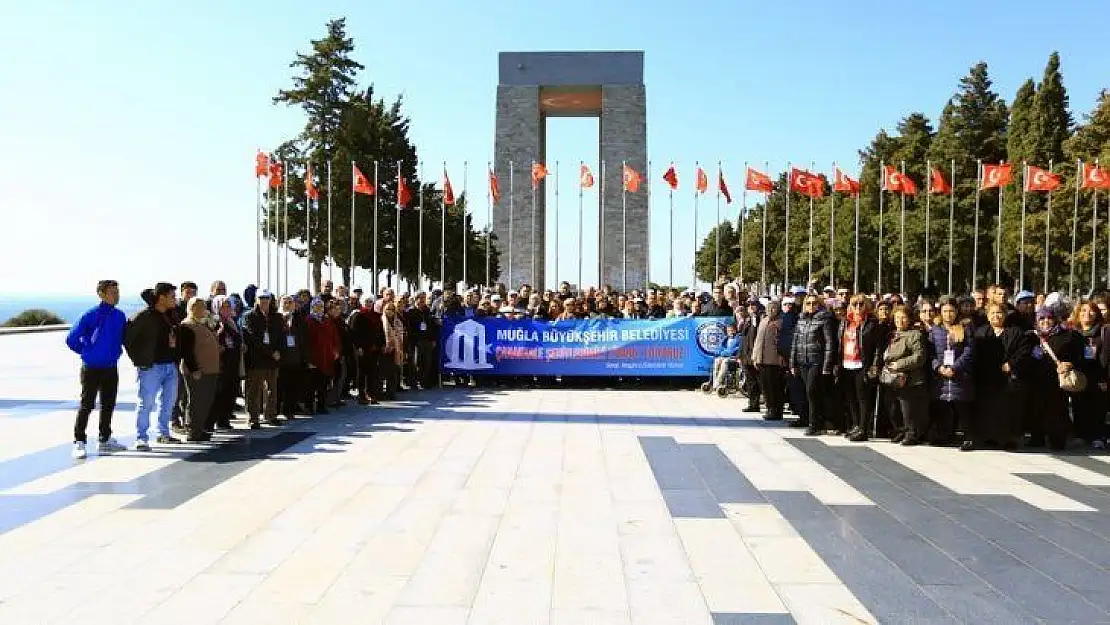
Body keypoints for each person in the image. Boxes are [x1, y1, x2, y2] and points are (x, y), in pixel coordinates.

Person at [65, 279, 128, 458]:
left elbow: (126, 338)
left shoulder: (120, 316)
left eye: (117, 292)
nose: (116, 296)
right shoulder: (90, 315)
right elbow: (71, 339)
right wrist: (87, 352)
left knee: (108, 404)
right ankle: (79, 441)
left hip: (110, 367)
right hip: (91, 368)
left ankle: (105, 438)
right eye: (112, 292)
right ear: (101, 294)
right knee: (87, 404)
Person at [124, 282, 182, 449]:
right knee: (146, 402)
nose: (175, 299)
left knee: (168, 402)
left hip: (170, 365)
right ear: (161, 298)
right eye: (172, 296)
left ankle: (163, 434)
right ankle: (141, 437)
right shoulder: (144, 316)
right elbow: (128, 339)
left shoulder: (172, 314)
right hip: (151, 367)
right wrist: (140, 360)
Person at [971, 302, 1032, 451]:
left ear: (1005, 315)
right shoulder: (980, 332)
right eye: (992, 313)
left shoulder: (1015, 332)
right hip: (986, 378)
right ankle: (988, 437)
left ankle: (1008, 439)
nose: (996, 316)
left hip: (1007, 378)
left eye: (999, 313)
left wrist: (1011, 364)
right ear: (987, 315)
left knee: (1008, 410)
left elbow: (1024, 351)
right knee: (987, 409)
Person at [1028, 304, 1083, 450]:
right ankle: (1036, 438)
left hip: (1057, 382)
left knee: (1057, 412)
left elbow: (1078, 356)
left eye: (1050, 318)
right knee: (1036, 409)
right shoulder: (1031, 336)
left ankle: (1057, 440)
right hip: (1036, 381)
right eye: (1042, 319)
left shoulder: (1067, 336)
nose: (1046, 321)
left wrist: (1069, 364)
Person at [879, 305, 929, 445]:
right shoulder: (892, 334)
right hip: (891, 378)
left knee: (907, 409)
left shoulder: (915, 334)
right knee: (892, 407)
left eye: (903, 317)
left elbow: (919, 356)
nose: (900, 321)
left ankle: (911, 433)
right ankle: (900, 430)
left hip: (909, 379)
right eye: (897, 317)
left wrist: (899, 365)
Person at [928, 296, 974, 448]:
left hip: (959, 373)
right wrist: (938, 367)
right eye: (945, 311)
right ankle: (943, 435)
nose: (948, 314)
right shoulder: (935, 330)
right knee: (942, 406)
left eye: (951, 311)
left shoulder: (965, 328)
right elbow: (930, 353)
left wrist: (955, 367)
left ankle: (968, 437)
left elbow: (969, 351)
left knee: (961, 406)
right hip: (941, 375)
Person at [839, 295, 885, 442]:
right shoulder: (846, 322)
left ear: (866, 306)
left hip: (862, 364)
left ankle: (864, 428)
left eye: (861, 304)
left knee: (862, 398)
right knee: (851, 398)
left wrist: (874, 365)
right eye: (854, 304)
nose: (858, 307)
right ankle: (855, 425)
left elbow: (878, 347)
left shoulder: (872, 323)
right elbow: (840, 343)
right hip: (847, 363)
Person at [790, 295, 837, 435]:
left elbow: (829, 343)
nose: (811, 305)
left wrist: (827, 365)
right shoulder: (801, 319)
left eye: (814, 303)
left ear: (819, 304)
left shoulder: (825, 319)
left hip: (817, 360)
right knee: (809, 392)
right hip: (803, 360)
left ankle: (814, 423)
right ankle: (814, 420)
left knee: (811, 390)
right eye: (808, 303)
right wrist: (792, 362)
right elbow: (795, 342)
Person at [177, 296, 220, 442]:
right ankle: (192, 430)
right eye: (198, 307)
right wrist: (194, 369)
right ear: (191, 308)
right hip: (197, 372)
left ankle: (200, 428)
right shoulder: (187, 325)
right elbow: (186, 351)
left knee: (206, 401)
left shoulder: (203, 324)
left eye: (203, 307)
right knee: (195, 401)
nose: (202, 309)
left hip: (210, 370)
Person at [242, 290, 284, 428]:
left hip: (273, 360)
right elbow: (253, 339)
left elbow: (281, 336)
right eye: (261, 298)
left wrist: (277, 352)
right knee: (254, 391)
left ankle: (271, 415)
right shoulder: (249, 316)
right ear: (256, 300)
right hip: (256, 360)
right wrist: (271, 352)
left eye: (267, 298)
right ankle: (253, 418)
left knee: (272, 390)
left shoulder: (277, 317)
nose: (264, 301)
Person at [1070, 300, 1107, 449]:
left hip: (1098, 376)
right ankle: (1080, 435)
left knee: (1098, 407)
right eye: (1083, 311)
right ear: (1078, 315)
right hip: (1079, 375)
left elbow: (1105, 357)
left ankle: (1097, 436)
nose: (1087, 314)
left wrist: (1104, 378)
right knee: (1079, 405)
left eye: (1091, 311)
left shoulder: (1103, 332)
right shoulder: (1073, 333)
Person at [209, 295, 241, 431]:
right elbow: (211, 338)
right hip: (219, 362)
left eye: (228, 306)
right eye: (223, 306)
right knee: (217, 393)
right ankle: (211, 421)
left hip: (232, 361)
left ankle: (224, 419)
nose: (226, 309)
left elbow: (236, 338)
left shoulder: (231, 321)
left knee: (230, 391)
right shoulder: (212, 321)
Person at [752, 299, 786, 421]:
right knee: (765, 386)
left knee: (775, 387)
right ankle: (770, 408)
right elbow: (757, 340)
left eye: (774, 308)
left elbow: (782, 342)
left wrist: (782, 357)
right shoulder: (763, 321)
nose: (772, 310)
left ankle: (776, 410)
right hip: (761, 359)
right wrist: (755, 357)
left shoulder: (781, 322)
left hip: (775, 360)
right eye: (769, 308)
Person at [306, 297, 339, 413]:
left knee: (323, 383)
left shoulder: (326, 320)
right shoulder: (309, 320)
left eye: (320, 307)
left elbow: (333, 336)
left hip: (326, 356)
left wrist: (335, 350)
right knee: (311, 384)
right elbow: (307, 340)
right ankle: (309, 407)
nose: (318, 309)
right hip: (314, 357)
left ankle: (321, 405)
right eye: (316, 307)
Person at [277, 295, 308, 420]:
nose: (288, 304)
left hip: (295, 358)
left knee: (293, 386)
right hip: (281, 359)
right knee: (279, 386)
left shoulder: (299, 319)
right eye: (285, 302)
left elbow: (303, 338)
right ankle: (276, 410)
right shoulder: (276, 318)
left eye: (290, 302)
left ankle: (289, 410)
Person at [381, 301, 405, 400]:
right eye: (388, 309)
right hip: (385, 350)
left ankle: (391, 392)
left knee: (393, 372)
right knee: (383, 372)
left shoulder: (398, 321)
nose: (390, 311)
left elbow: (401, 335)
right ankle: (380, 392)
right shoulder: (381, 321)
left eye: (392, 309)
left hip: (396, 349)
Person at [709, 324, 742, 392]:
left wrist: (725, 353)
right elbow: (721, 348)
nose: (729, 332)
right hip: (724, 356)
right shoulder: (726, 339)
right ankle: (715, 383)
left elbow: (736, 350)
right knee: (717, 360)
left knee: (724, 362)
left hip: (733, 357)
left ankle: (718, 383)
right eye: (728, 331)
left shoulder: (738, 338)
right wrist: (718, 353)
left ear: (735, 331)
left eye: (731, 330)